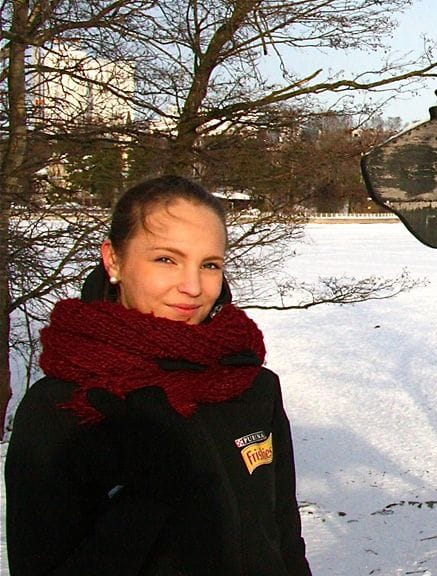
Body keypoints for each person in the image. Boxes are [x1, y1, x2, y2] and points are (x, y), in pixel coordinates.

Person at [4, 175, 312, 575]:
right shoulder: (65, 407)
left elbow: (283, 535)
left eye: (210, 265)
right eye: (167, 259)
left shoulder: (251, 385)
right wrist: (149, 496)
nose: (193, 287)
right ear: (114, 260)